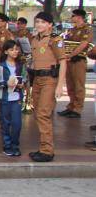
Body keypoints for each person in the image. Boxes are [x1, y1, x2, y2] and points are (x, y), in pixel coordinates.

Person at [28, 12, 66, 162]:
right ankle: (43, 146)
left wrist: (60, 85)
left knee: (44, 114)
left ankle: (47, 150)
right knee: (37, 112)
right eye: (37, 22)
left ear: (50, 24)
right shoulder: (34, 40)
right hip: (37, 78)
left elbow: (63, 61)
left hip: (50, 79)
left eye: (43, 22)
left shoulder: (55, 39)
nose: (39, 25)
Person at [0, 39, 27, 157]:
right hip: (5, 98)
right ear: (6, 51)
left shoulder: (20, 65)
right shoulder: (1, 66)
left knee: (17, 123)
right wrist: (6, 84)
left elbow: (25, 77)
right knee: (5, 123)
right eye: (12, 50)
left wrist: (22, 83)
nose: (15, 52)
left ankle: (15, 146)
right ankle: (7, 146)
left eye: (16, 49)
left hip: (16, 97)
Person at [58, 8, 92, 119]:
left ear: (79, 17)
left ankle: (77, 109)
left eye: (73, 16)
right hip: (70, 60)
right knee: (70, 84)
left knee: (79, 85)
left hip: (78, 60)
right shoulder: (71, 30)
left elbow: (83, 44)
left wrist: (70, 55)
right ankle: (71, 106)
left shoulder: (87, 29)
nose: (71, 18)